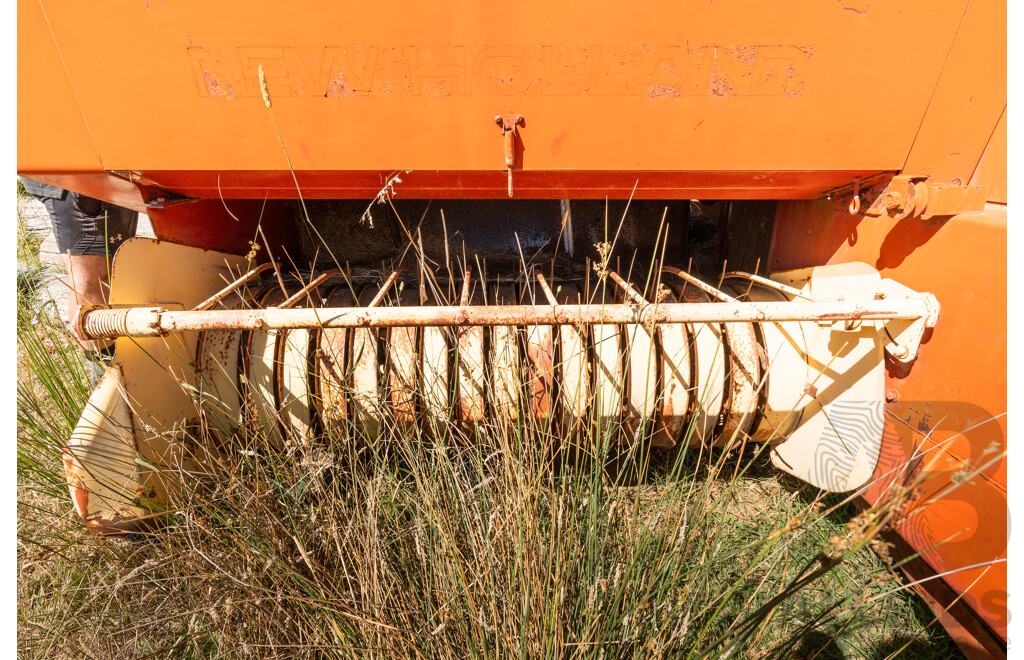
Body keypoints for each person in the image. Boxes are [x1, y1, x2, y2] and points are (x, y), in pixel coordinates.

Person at [19, 177, 138, 366]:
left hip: (109, 166)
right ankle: (109, 375)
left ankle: (125, 369)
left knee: (118, 270)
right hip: (74, 175)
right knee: (94, 282)